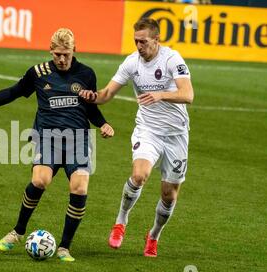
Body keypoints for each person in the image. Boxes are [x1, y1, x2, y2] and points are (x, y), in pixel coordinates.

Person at [0, 28, 114, 262]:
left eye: (66, 54)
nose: (62, 59)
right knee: (40, 180)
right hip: (48, 137)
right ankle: (18, 231)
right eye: (57, 54)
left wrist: (103, 124)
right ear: (50, 51)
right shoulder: (38, 73)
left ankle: (64, 247)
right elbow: (12, 93)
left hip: (79, 140)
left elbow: (90, 107)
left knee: (80, 188)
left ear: (75, 50)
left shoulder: (86, 74)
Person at [79, 18, 194, 257]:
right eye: (136, 41)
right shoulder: (132, 62)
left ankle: (153, 235)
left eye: (143, 41)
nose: (139, 46)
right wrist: (92, 96)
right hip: (148, 130)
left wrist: (161, 94)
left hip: (176, 134)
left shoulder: (173, 59)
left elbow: (188, 94)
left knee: (169, 195)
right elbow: (107, 93)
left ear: (157, 40)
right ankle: (121, 222)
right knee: (139, 175)